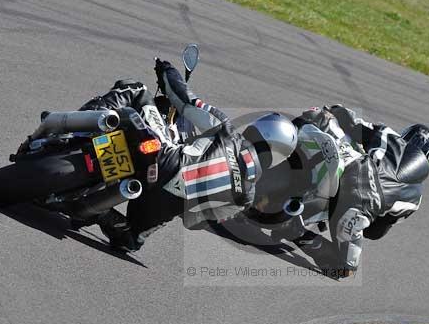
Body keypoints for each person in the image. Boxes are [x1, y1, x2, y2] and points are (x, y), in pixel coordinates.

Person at [81, 59, 298, 251]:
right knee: (131, 239)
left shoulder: (227, 130)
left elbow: (185, 100)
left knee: (135, 89)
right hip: (166, 204)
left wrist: (167, 70)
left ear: (257, 129)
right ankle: (100, 211)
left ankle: (79, 130)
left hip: (165, 160)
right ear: (278, 157)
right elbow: (192, 221)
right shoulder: (245, 198)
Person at [255, 105, 429, 277]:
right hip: (359, 206)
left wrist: (331, 112)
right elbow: (374, 232)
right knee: (345, 268)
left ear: (405, 134)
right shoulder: (415, 199)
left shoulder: (390, 135)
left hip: (351, 164)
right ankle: (295, 230)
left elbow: (351, 121)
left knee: (317, 118)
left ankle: (266, 147)